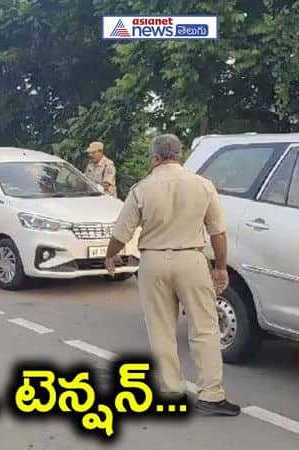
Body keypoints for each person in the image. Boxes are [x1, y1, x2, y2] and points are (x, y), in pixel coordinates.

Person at [104, 134, 240, 417]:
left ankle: (171, 389)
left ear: (155, 158)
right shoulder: (202, 186)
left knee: (161, 327)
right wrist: (220, 267)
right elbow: (218, 231)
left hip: (152, 261)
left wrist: (110, 255)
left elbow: (121, 233)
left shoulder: (142, 189)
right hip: (191, 258)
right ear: (179, 155)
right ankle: (211, 395)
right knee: (204, 326)